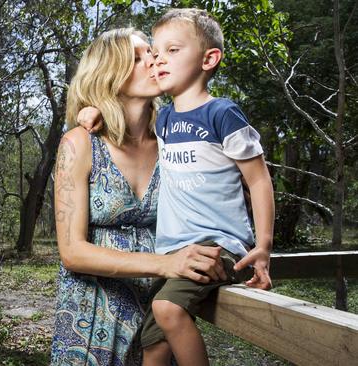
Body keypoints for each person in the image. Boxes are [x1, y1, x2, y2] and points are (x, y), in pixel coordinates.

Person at [77, 8, 275, 366]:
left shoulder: (222, 114)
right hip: (174, 253)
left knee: (167, 308)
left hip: (218, 244)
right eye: (155, 52)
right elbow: (128, 118)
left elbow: (259, 179)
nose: (157, 59)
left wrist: (263, 246)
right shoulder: (165, 119)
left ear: (209, 58)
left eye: (172, 50)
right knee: (153, 345)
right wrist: (95, 111)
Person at [51, 27, 227, 366]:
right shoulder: (79, 144)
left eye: (154, 52)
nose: (154, 60)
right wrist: (166, 263)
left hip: (160, 311)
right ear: (108, 74)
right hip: (93, 315)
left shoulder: (176, 138)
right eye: (137, 57)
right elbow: (71, 252)